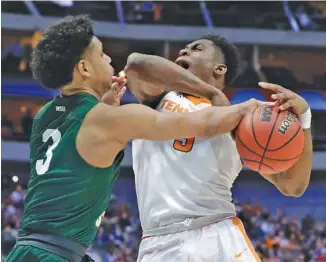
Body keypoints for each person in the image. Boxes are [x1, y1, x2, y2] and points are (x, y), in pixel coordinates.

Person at [6, 16, 263, 262]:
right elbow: (201, 124)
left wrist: (103, 105)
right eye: (102, 55)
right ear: (84, 68)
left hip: (29, 247)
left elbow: (74, 143)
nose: (109, 59)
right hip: (55, 254)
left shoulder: (44, 115)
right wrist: (245, 108)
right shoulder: (109, 119)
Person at [126, 35, 313, 261]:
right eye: (183, 49)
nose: (183, 52)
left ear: (219, 68)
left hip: (217, 234)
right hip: (157, 240)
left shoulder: (244, 121)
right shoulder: (158, 99)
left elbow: (292, 185)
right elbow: (136, 64)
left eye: (196, 49)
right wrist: (212, 93)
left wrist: (304, 118)